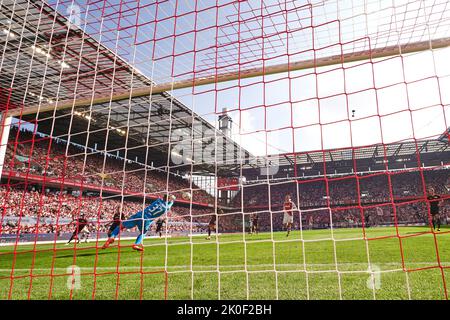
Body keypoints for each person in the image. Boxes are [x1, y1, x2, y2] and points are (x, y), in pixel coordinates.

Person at [102, 194, 176, 251]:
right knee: (143, 233)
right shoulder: (167, 207)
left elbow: (164, 198)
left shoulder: (158, 200)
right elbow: (170, 203)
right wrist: (173, 199)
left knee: (121, 226)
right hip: (147, 220)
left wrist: (168, 197)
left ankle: (112, 237)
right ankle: (136, 244)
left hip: (139, 214)